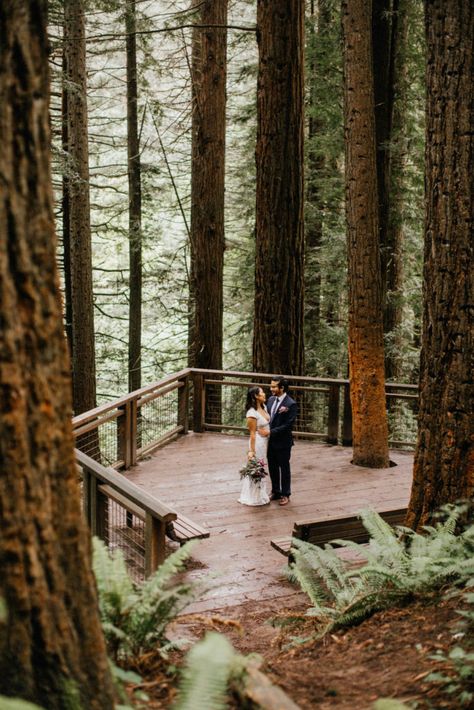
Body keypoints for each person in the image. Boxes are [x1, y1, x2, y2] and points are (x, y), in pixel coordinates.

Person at [259, 377, 297, 506]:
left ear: (282, 388)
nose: (271, 389)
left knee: (284, 467)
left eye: (274, 386)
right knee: (273, 467)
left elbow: (288, 425)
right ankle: (276, 491)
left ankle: (286, 494)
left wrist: (270, 432)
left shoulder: (291, 404)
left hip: (283, 442)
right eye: (271, 386)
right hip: (270, 442)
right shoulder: (270, 400)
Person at [238, 386, 270, 506]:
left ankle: (261, 493)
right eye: (262, 393)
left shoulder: (264, 407)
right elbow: (252, 434)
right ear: (256, 396)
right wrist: (251, 451)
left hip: (266, 440)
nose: (264, 394)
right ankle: (254, 496)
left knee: (263, 466)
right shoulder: (251, 413)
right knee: (258, 467)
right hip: (258, 442)